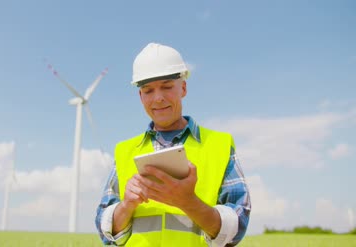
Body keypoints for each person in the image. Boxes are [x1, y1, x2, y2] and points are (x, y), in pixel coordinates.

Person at [95, 42, 251, 246]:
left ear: (183, 88)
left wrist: (188, 202)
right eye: (148, 90)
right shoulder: (124, 151)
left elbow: (237, 226)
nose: (158, 98)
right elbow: (105, 231)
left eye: (167, 87)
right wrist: (126, 205)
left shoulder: (219, 145)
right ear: (140, 96)